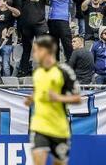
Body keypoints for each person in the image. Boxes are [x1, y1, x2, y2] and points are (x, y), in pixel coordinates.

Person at [25, 35, 81, 165]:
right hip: (39, 126)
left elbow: (78, 98)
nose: (34, 54)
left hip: (59, 128)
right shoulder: (37, 72)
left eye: (36, 50)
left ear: (45, 50)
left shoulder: (63, 71)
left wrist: (59, 98)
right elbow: (40, 91)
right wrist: (32, 98)